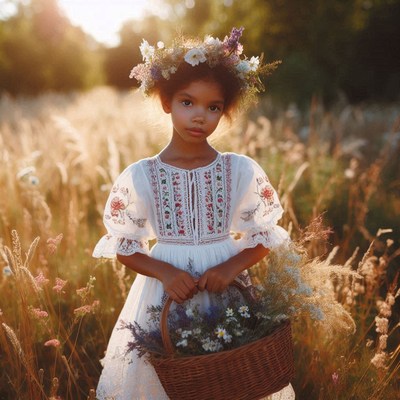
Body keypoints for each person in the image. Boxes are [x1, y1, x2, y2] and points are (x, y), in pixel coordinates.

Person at [93, 27, 295, 400]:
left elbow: (264, 234)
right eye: (188, 102)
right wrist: (164, 271)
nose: (200, 116)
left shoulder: (238, 170)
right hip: (165, 292)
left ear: (225, 111)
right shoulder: (142, 175)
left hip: (225, 287)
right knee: (169, 379)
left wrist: (232, 267)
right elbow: (123, 243)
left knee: (232, 377)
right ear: (166, 102)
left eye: (213, 107)